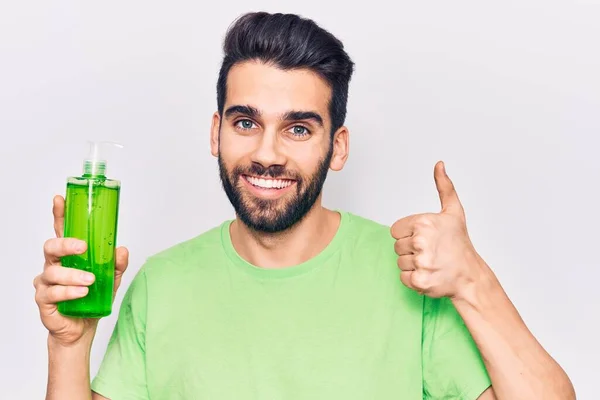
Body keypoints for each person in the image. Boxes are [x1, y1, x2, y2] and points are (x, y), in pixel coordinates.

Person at [34, 11, 576, 400]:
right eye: (246, 123)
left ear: (336, 147)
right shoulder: (161, 285)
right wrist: (69, 346)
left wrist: (472, 281)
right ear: (215, 132)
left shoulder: (410, 276)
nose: (266, 154)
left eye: (297, 128)